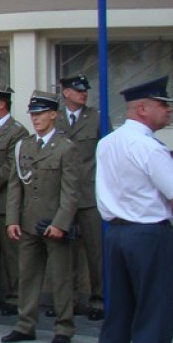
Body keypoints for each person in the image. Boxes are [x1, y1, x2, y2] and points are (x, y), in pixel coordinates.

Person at [91, 76, 173, 343]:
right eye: (164, 105)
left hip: (116, 234)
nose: (168, 111)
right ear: (143, 108)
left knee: (118, 316)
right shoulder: (149, 147)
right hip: (148, 236)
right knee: (154, 317)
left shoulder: (108, 143)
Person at [2, 91, 80, 343]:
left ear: (53, 115)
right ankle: (25, 324)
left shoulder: (66, 148)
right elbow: (15, 186)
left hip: (53, 223)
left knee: (60, 278)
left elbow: (70, 192)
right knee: (27, 276)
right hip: (28, 222)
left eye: (40, 114)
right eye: (33, 115)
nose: (35, 119)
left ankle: (64, 327)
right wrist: (12, 219)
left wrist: (60, 223)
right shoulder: (24, 146)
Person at [56, 73, 106, 320]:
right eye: (77, 89)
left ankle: (99, 300)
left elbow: (108, 153)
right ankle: (68, 301)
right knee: (65, 253)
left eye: (84, 89)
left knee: (96, 251)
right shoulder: (54, 119)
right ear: (65, 92)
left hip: (89, 194)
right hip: (62, 196)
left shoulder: (96, 117)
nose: (83, 93)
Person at [0, 85, 30, 315]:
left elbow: (11, 166)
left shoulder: (17, 132)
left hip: (4, 202)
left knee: (12, 254)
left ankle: (17, 296)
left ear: (1, 104)